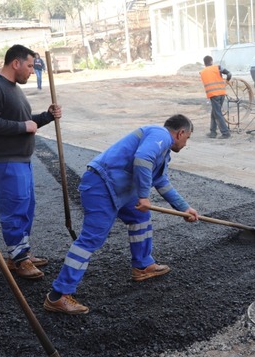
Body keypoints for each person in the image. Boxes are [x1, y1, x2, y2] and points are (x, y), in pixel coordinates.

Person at [43, 114, 199, 314]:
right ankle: (57, 296)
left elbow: (161, 182)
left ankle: (143, 266)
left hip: (120, 189)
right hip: (101, 186)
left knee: (140, 218)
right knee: (90, 240)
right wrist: (143, 196)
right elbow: (142, 159)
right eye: (188, 138)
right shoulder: (160, 134)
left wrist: (184, 208)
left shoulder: (163, 151)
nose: (186, 144)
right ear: (181, 133)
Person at [0, 44, 61, 280]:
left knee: (25, 208)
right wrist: (23, 126)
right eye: (29, 66)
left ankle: (21, 253)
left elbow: (25, 121)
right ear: (15, 63)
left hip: (20, 160)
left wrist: (46, 117)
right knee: (14, 211)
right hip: (5, 162)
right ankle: (19, 259)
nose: (32, 71)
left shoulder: (13, 88)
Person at [200, 55, 231, 139]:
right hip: (222, 92)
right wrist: (227, 81)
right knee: (214, 112)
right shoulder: (218, 67)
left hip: (213, 95)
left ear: (204, 63)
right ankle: (213, 132)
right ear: (211, 61)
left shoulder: (202, 72)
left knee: (217, 113)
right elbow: (229, 74)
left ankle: (225, 133)